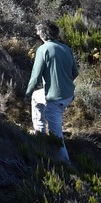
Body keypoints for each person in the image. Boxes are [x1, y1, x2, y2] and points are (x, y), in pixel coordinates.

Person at [26, 19, 78, 165]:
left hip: (54, 99)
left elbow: (35, 76)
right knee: (37, 98)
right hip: (68, 95)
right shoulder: (66, 48)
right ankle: (40, 134)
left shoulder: (43, 50)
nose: (37, 34)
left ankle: (65, 164)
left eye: (38, 32)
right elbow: (75, 72)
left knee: (56, 136)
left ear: (43, 35)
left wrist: (27, 92)